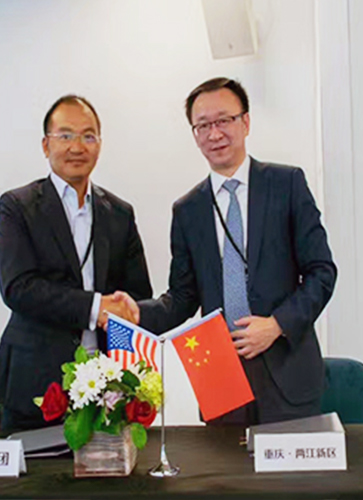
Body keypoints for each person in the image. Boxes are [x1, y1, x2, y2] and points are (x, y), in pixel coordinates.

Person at [139, 77, 337, 426]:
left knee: (289, 463)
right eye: (203, 125)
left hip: (287, 369)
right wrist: (135, 313)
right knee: (224, 464)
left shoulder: (287, 184)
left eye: (224, 120)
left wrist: (277, 324)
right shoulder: (187, 210)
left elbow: (321, 272)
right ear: (194, 135)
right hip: (219, 376)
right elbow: (183, 297)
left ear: (245, 122)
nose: (214, 134)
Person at [0, 95, 152, 430]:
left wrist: (134, 373)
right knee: (32, 466)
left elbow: (136, 295)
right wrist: (96, 307)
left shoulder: (119, 213)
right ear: (46, 145)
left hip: (107, 386)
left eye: (88, 136)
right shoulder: (17, 206)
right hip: (35, 384)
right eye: (65, 135)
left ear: (99, 145)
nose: (77, 146)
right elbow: (18, 288)